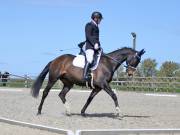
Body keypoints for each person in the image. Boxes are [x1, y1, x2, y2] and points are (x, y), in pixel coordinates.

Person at [83, 11, 103, 81]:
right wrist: (94, 43)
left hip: (96, 47)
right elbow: (88, 36)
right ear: (95, 18)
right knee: (90, 59)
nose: (100, 20)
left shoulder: (96, 27)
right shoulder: (89, 25)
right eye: (100, 19)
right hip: (90, 47)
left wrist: (99, 46)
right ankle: (85, 75)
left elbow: (97, 38)